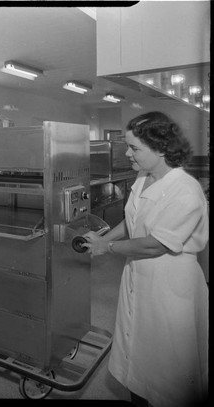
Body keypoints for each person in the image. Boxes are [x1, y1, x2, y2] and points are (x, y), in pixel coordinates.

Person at [82, 111, 208, 407]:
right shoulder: (143, 178)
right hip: (138, 274)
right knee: (137, 354)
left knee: (168, 364)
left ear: (162, 149)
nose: (127, 153)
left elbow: (155, 245)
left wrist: (106, 249)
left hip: (170, 284)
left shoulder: (185, 191)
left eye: (134, 148)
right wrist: (104, 237)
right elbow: (132, 220)